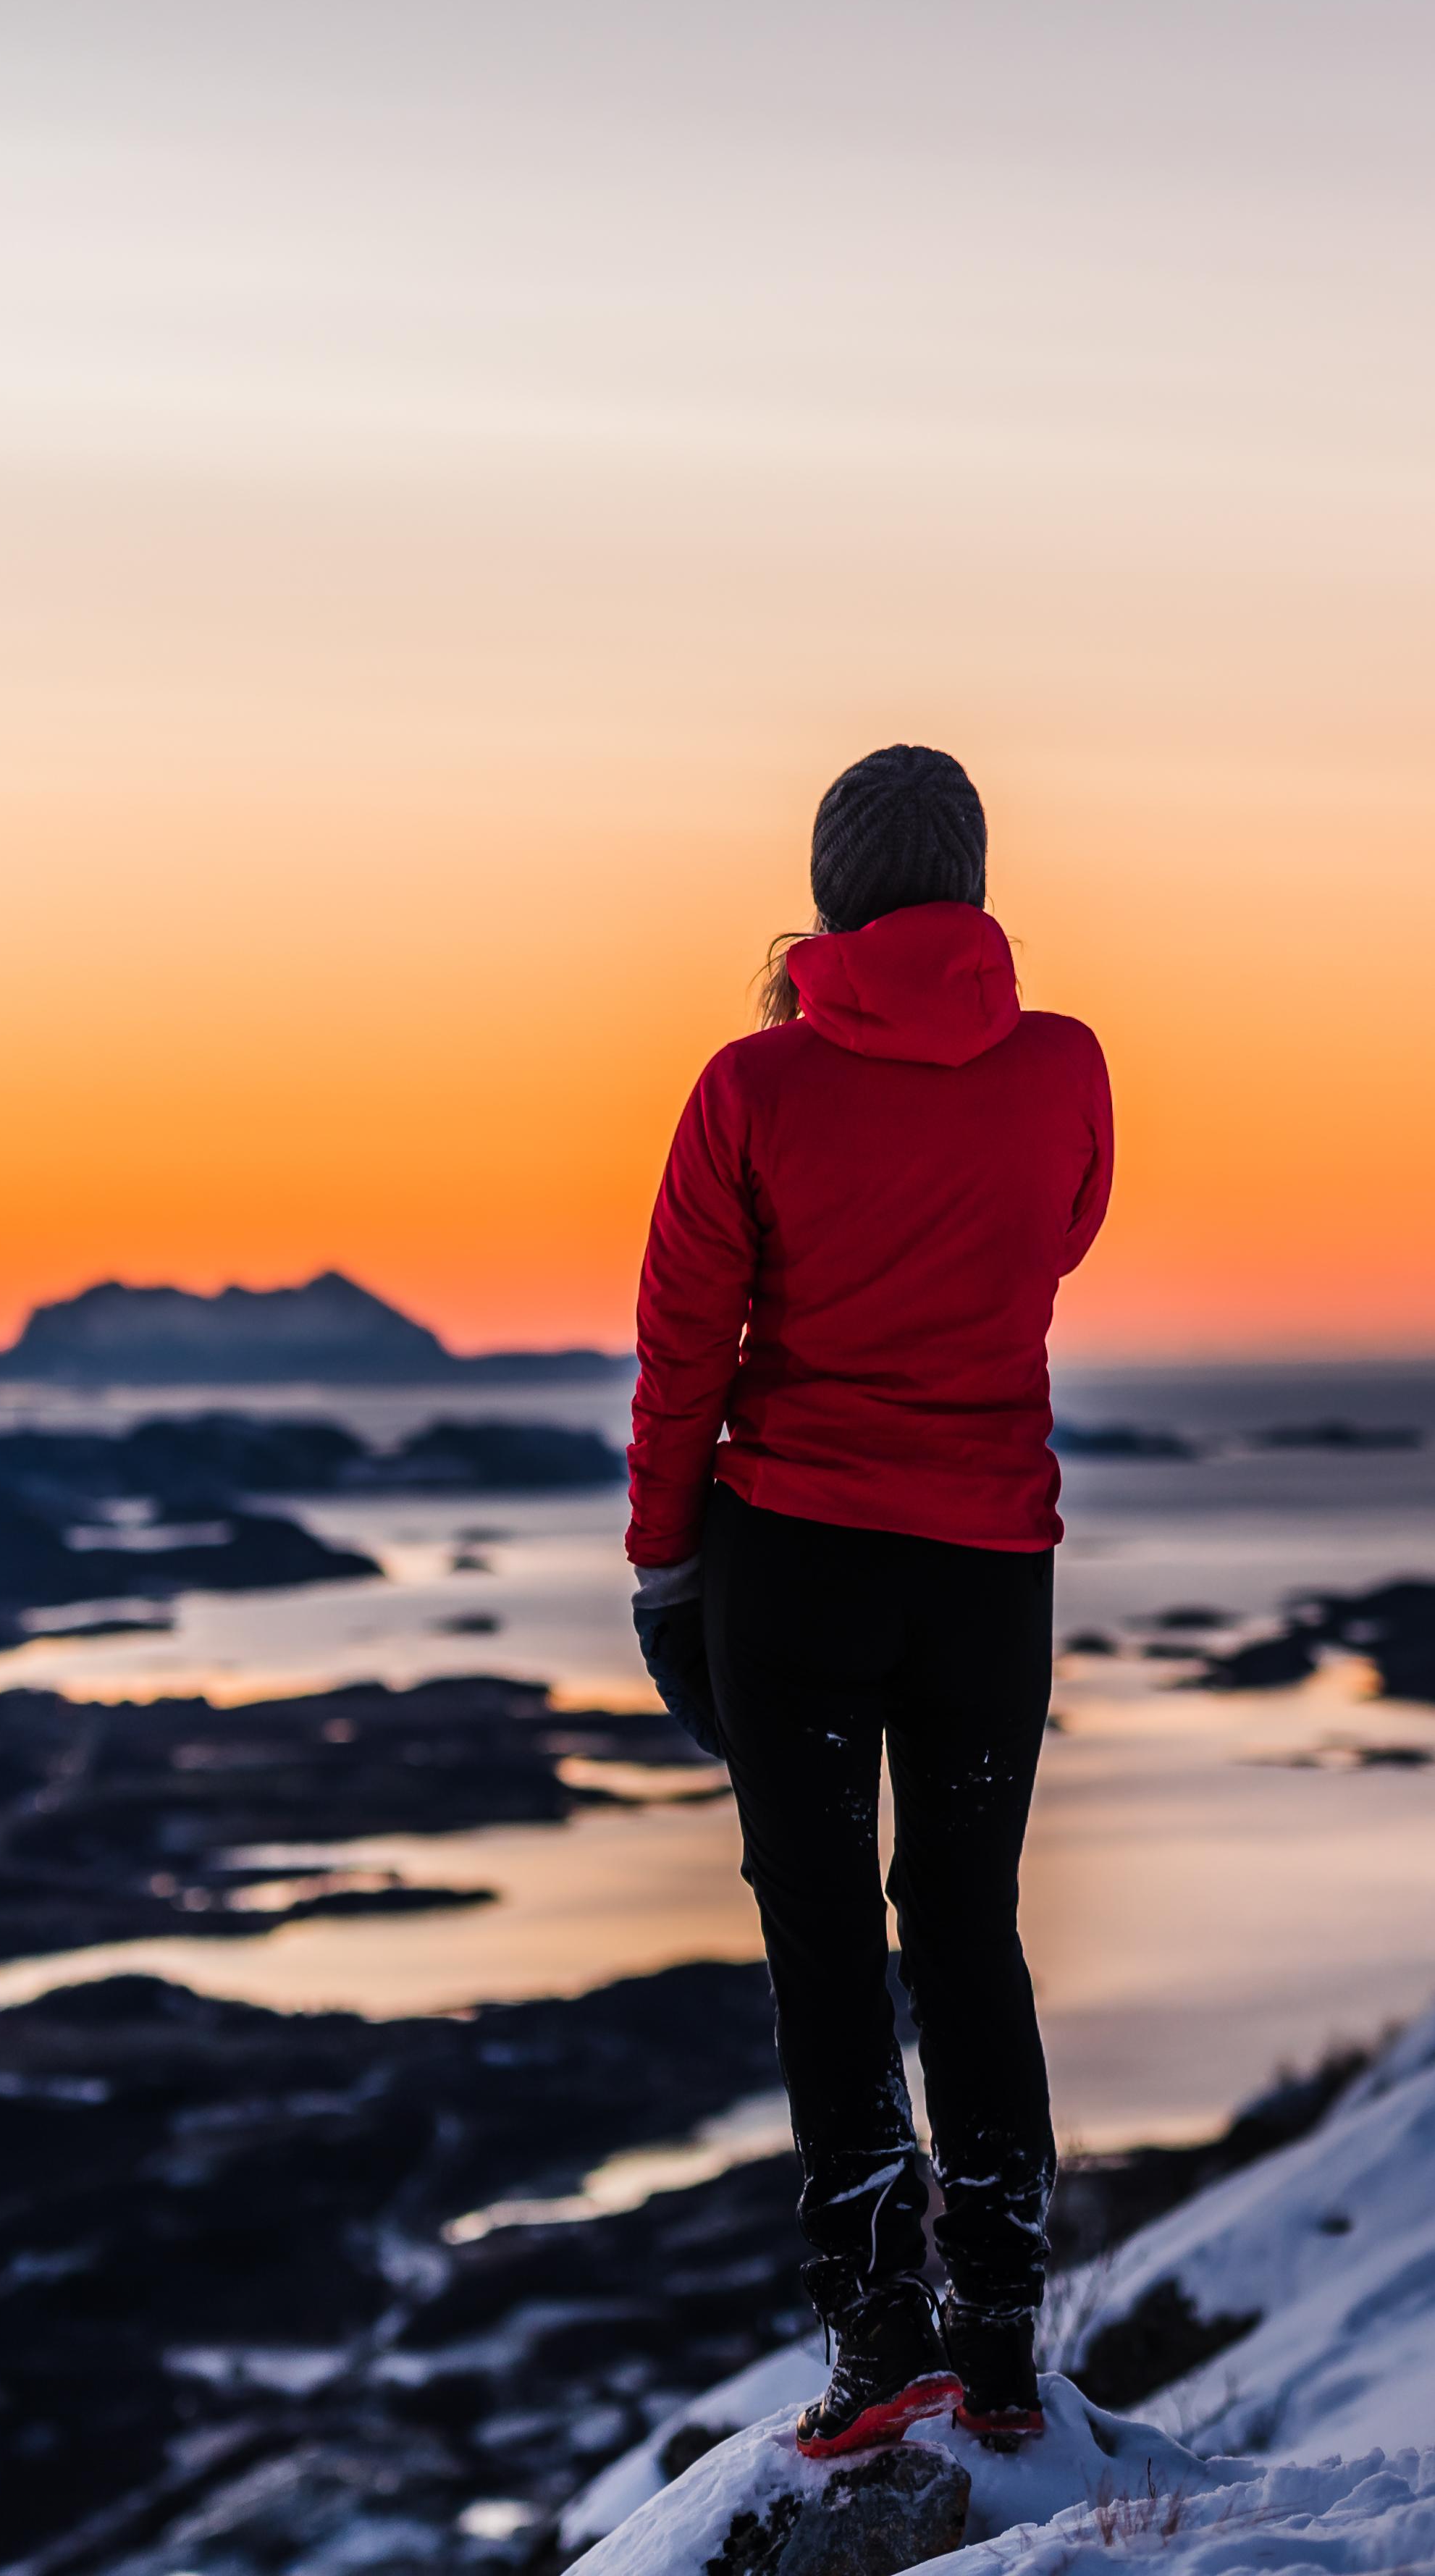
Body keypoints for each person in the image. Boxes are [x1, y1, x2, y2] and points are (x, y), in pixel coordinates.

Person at [626, 744, 1111, 2459]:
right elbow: (1051, 1242)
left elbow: (685, 1347)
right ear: (969, 883)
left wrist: (662, 1564)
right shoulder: (1061, 1069)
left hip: (792, 1557)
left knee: (821, 1937)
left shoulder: (749, 1087)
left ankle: (872, 2343)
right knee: (964, 1925)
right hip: (988, 1563)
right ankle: (993, 2338)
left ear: (824, 893)